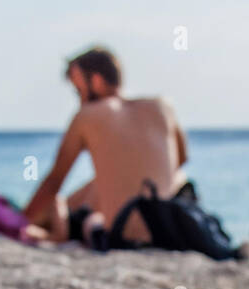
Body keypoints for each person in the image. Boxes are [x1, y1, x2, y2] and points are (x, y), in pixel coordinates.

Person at [22, 46, 189, 248]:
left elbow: (55, 180)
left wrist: (18, 221)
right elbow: (180, 160)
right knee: (97, 185)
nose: (80, 100)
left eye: (79, 91)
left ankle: (51, 229)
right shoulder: (163, 106)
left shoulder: (88, 115)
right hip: (168, 229)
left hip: (121, 235)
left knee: (74, 206)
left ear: (97, 81)